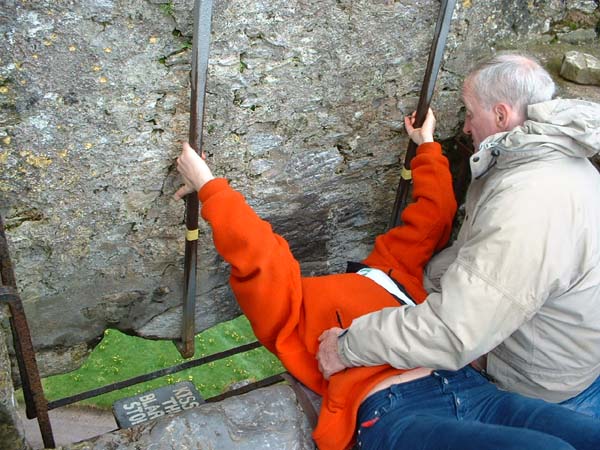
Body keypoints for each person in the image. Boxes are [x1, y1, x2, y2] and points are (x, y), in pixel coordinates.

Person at [175, 106, 600, 450]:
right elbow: (260, 258)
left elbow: (432, 217)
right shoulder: (292, 308)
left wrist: (427, 146)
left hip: (471, 386)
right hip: (394, 408)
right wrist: (210, 187)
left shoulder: (391, 269)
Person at [317, 53, 600, 420]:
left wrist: (347, 346)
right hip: (560, 347)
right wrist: (424, 281)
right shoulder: (554, 161)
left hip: (532, 382)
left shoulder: (527, 203)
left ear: (501, 115)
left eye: (469, 113)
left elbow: (456, 330)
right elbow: (479, 255)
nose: (466, 127)